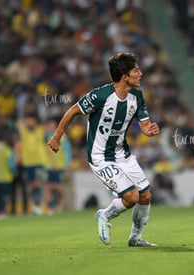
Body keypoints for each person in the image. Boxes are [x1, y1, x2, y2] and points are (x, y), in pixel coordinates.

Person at [47, 53, 160, 247]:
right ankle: (104, 215)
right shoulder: (101, 95)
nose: (140, 73)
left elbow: (144, 125)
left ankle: (135, 239)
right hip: (101, 157)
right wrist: (57, 137)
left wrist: (149, 131)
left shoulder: (137, 96)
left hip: (123, 155)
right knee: (132, 196)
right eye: (136, 70)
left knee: (146, 195)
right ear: (125, 76)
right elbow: (73, 110)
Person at [15, 112, 47, 215]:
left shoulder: (41, 130)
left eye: (29, 119)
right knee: (32, 184)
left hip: (39, 161)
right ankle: (35, 205)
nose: (28, 121)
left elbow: (46, 144)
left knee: (37, 182)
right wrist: (17, 156)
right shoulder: (22, 131)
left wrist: (51, 160)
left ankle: (37, 205)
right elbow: (18, 144)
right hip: (27, 162)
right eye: (26, 119)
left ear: (34, 120)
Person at [44, 117, 73, 215]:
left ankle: (57, 204)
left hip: (60, 166)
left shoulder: (62, 137)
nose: (49, 127)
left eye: (51, 124)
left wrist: (67, 163)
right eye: (48, 125)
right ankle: (51, 206)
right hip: (49, 166)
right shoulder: (45, 136)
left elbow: (67, 150)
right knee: (48, 187)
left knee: (59, 187)